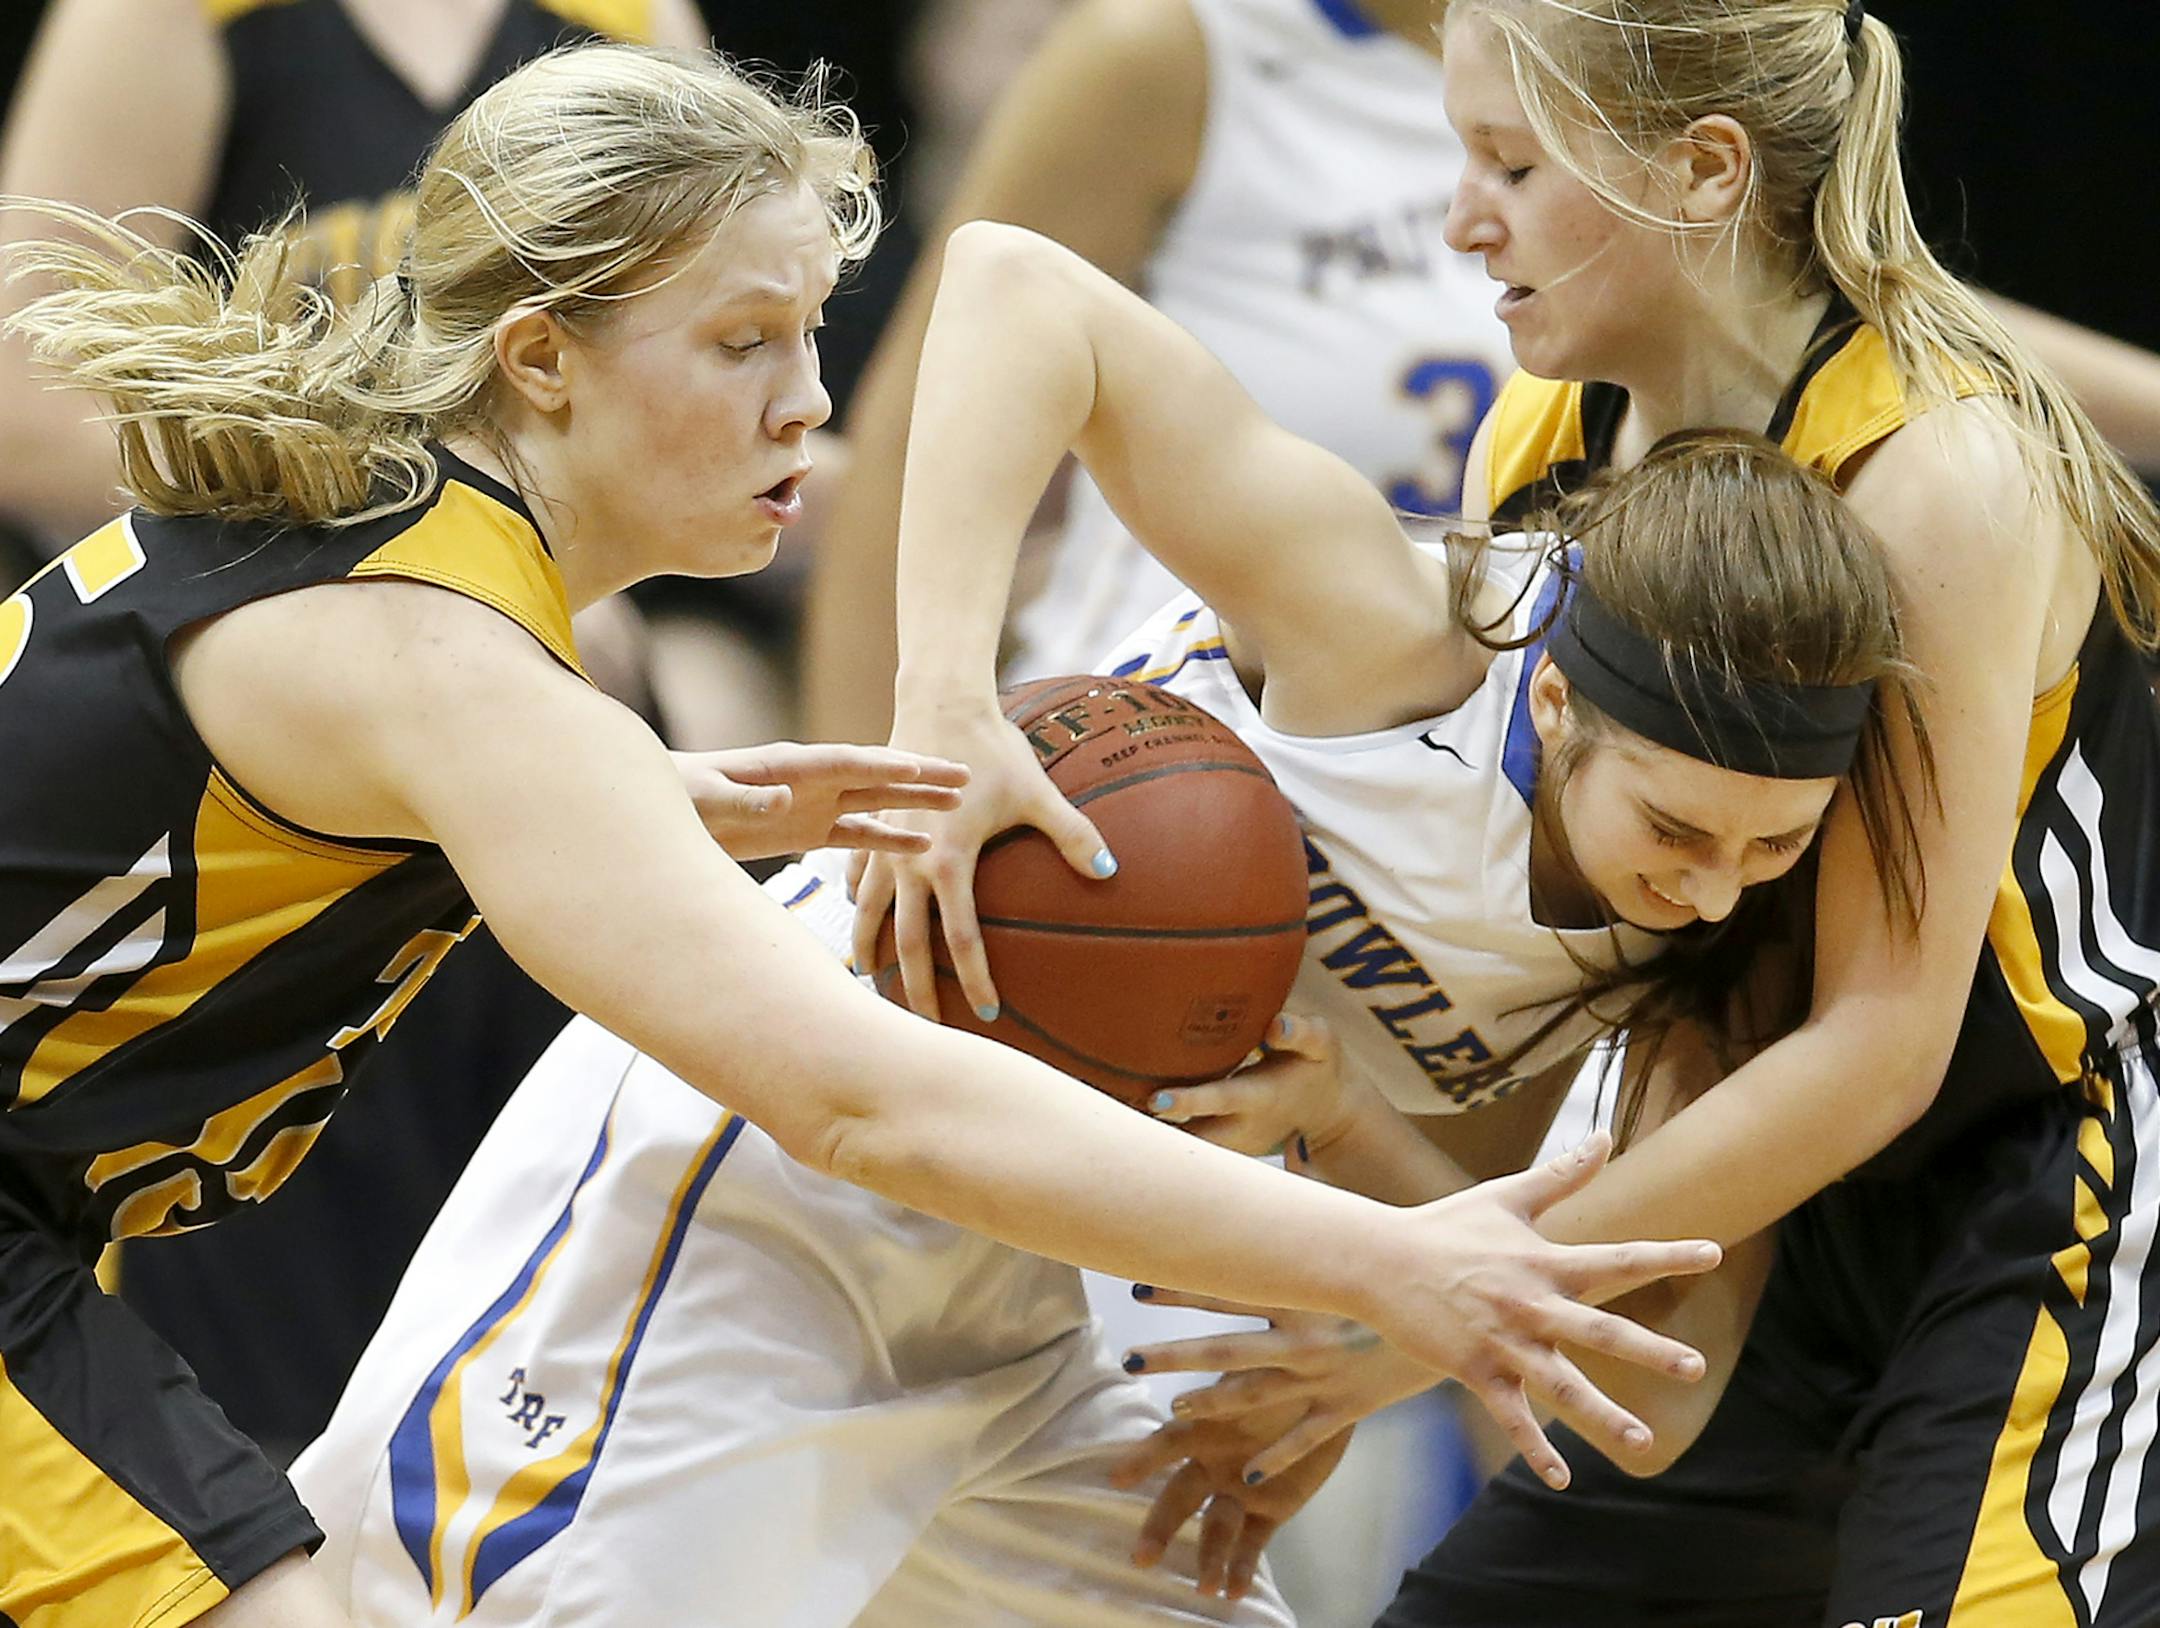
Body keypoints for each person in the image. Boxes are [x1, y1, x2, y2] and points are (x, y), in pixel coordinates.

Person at [0, 43, 1722, 1628]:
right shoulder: (460, 671)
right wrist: (1393, 1260)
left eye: (816, 334)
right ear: (542, 361)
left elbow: (172, 786)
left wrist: (640, 804)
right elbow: (859, 1095)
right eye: (742, 342)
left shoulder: (389, 558)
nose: (809, 401)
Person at [293, 380, 1917, 1621]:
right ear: (1557, 703)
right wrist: (942, 695)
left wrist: (1365, 1276)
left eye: (1772, 846)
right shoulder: (1385, 635)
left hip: (1086, 1280)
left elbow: (1615, 1371)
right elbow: (1021, 294)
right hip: (819, 1141)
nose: (1712, 880)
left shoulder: (1687, 949)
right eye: (1680, 828)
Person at [1079, 2, 2160, 1621]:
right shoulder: (1555, 431)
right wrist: (1378, 1191)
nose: (1460, 214)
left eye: (1510, 160)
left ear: (1704, 172)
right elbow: (1644, 999)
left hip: (2056, 1175)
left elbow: (1880, 1038)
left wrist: (1414, 1324)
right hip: (1775, 1184)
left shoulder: (1938, 473)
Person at [0, 0, 710, 1460]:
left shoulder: (626, 21)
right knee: (277, 1381)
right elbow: (26, 400)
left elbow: (720, 350)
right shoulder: (166, 21)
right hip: (283, 772)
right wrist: (427, 544)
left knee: (572, 1348)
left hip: (540, 730)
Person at [801, 0, 1513, 745]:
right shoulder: (1160, 50)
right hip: (1165, 758)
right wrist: (863, 817)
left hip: (1492, 762)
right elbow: (916, 442)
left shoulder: (1605, 56)